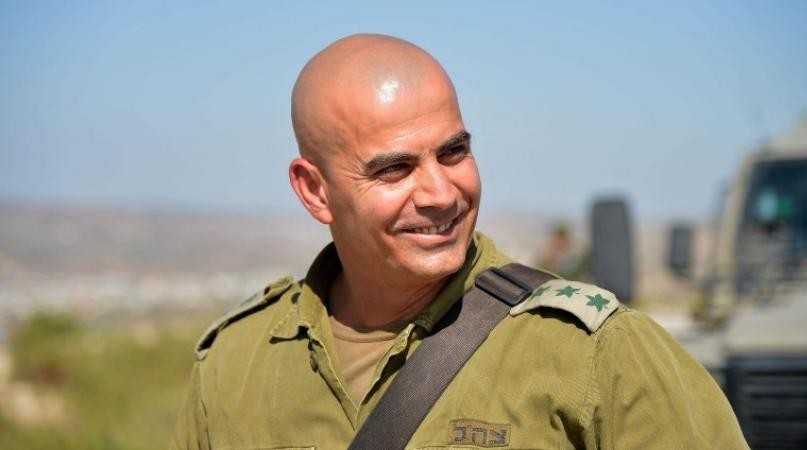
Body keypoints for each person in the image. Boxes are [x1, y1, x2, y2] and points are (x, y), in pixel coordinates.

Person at [171, 34, 749, 449]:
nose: (441, 193)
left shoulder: (595, 352)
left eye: (453, 152)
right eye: (394, 169)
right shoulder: (233, 364)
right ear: (315, 191)